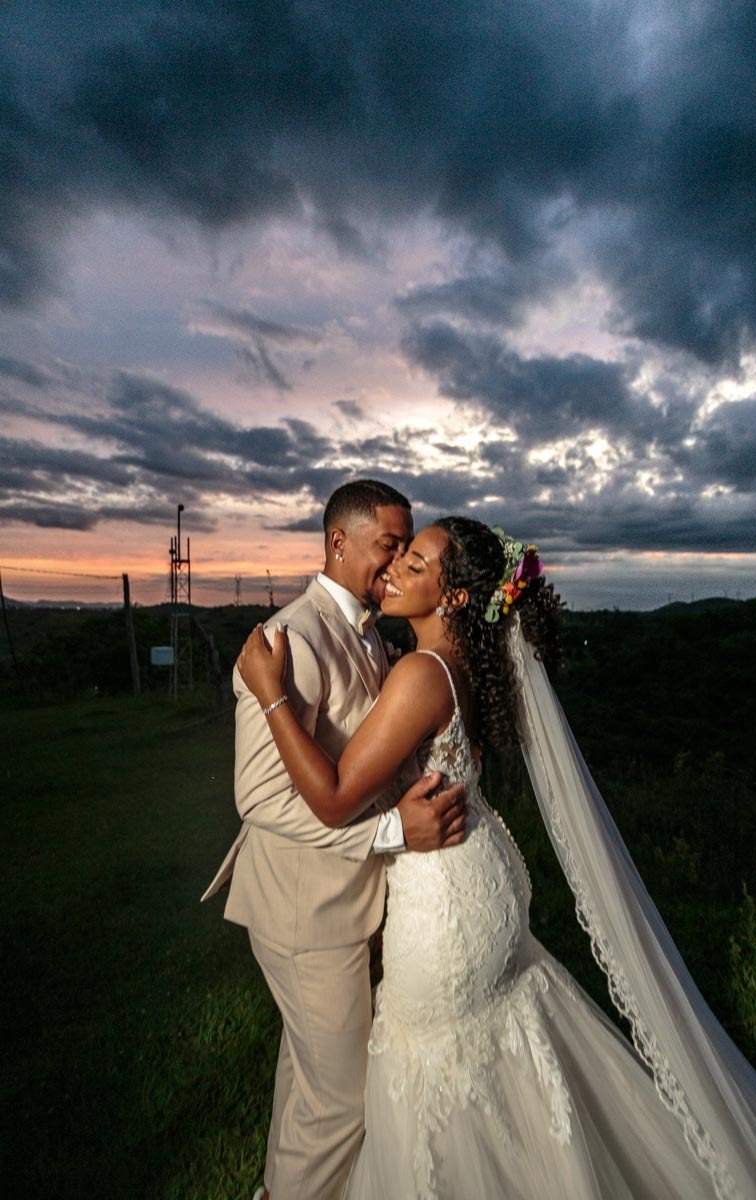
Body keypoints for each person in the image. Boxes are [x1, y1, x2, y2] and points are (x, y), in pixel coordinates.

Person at [238, 516, 756, 1200]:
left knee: (432, 1068)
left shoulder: (420, 673)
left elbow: (330, 800)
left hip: (444, 902)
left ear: (454, 598)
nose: (394, 571)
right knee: (493, 1051)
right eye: (399, 557)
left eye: (415, 565)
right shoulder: (466, 665)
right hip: (483, 876)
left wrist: (271, 693)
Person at [203, 481, 467, 1200]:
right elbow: (260, 797)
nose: (398, 563)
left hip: (347, 903)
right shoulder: (290, 639)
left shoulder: (372, 632)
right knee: (342, 1105)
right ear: (338, 542)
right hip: (305, 911)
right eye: (390, 546)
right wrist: (392, 831)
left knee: (309, 1083)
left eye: (408, 550)